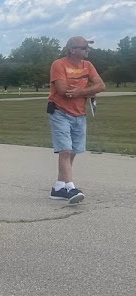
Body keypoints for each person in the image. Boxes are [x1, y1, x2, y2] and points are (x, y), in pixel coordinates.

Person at [47, 37, 105, 204]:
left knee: (72, 151)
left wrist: (80, 92)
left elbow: (101, 86)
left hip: (79, 113)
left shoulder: (88, 65)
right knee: (65, 150)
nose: (88, 51)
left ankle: (58, 187)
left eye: (88, 48)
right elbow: (63, 90)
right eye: (84, 47)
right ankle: (71, 188)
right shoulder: (59, 64)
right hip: (59, 111)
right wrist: (88, 90)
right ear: (73, 50)